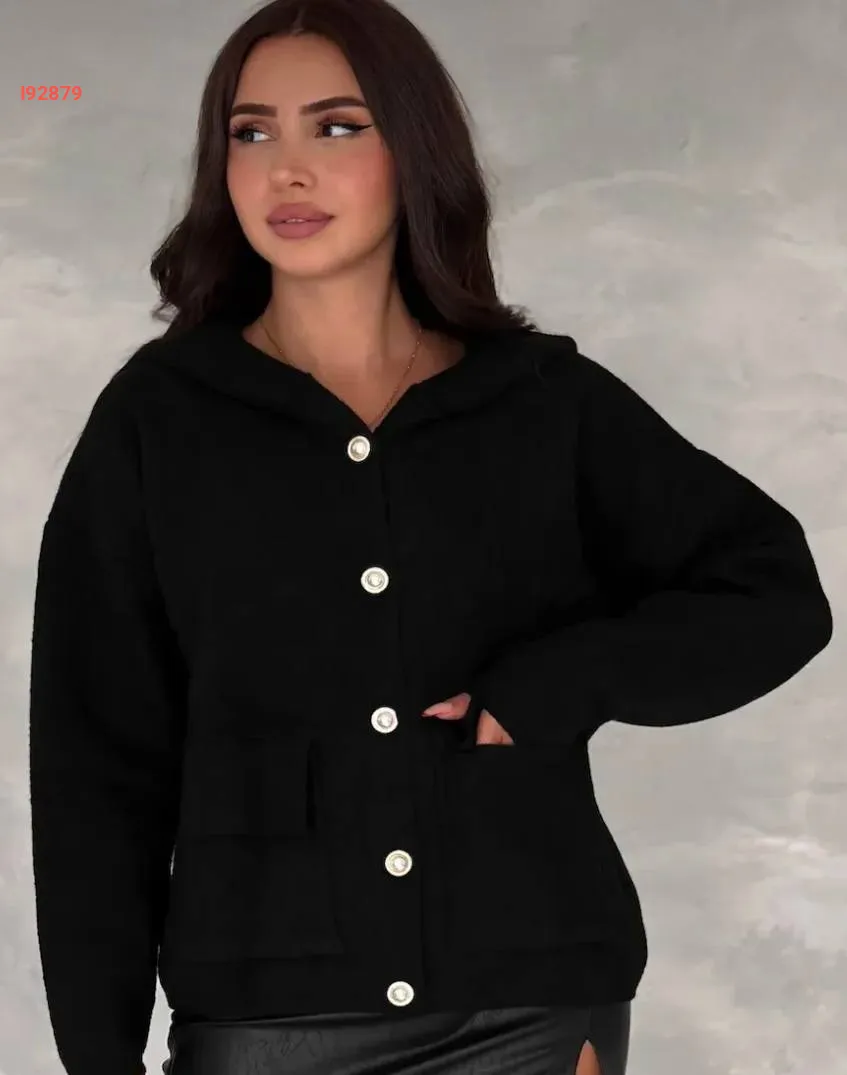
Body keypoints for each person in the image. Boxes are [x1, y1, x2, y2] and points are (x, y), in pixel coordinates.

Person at [28, 0, 833, 1073]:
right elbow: (95, 757)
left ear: (414, 148)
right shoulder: (160, 421)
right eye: (251, 132)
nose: (287, 169)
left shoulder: (541, 403)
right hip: (267, 1019)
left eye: (337, 126)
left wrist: (557, 684)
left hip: (529, 1006)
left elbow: (771, 591)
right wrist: (98, 1054)